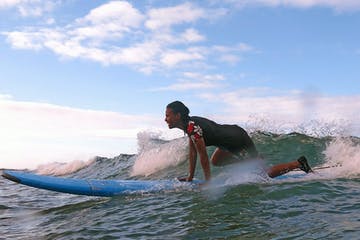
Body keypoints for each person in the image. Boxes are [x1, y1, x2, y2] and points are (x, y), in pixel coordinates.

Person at [165, 100, 313, 182]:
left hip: (237, 139)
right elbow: (193, 153)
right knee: (216, 161)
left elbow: (202, 156)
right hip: (228, 139)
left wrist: (208, 183)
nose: (166, 119)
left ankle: (299, 163)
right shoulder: (189, 126)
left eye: (168, 115)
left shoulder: (193, 127)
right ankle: (251, 161)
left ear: (178, 115)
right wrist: (190, 177)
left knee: (263, 175)